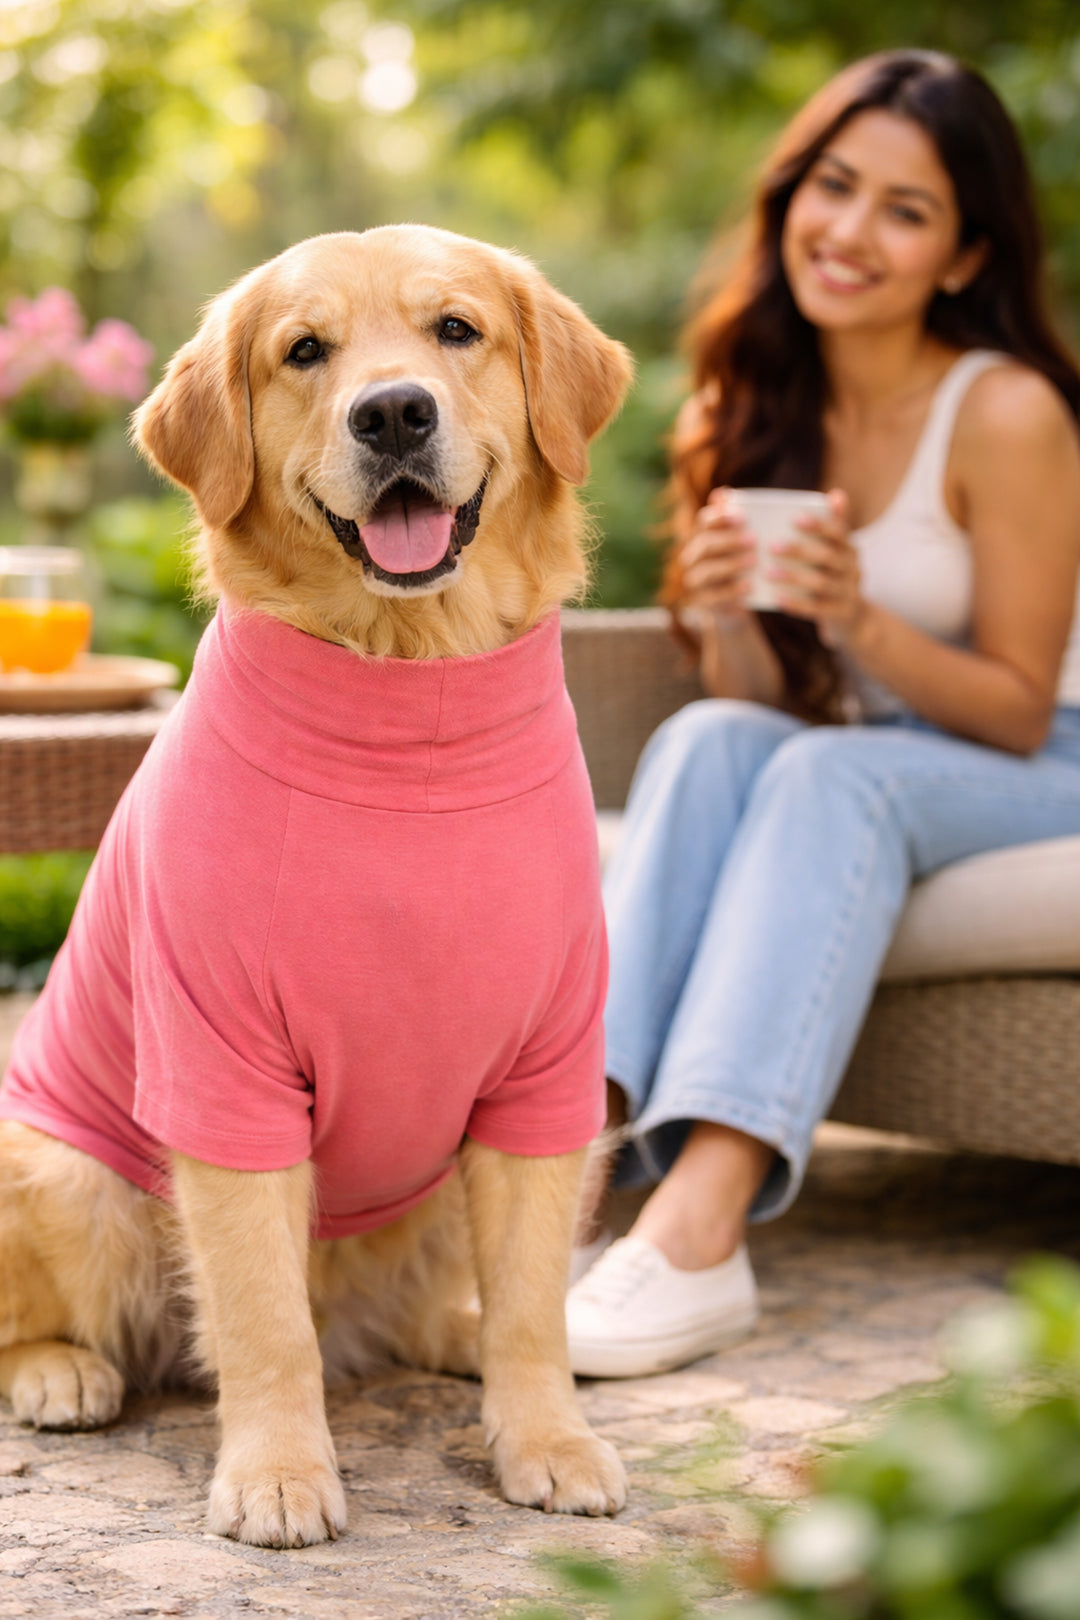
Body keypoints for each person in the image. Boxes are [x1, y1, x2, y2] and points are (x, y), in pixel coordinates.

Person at [565, 48, 1080, 1379]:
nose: (849, 232)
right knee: (707, 735)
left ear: (964, 256)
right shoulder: (757, 396)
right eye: (834, 186)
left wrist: (857, 618)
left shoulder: (1010, 412)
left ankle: (699, 1230)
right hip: (883, 755)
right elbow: (761, 709)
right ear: (792, 193)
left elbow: (1022, 713)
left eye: (904, 210)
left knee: (829, 780)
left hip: (1044, 758)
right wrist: (734, 614)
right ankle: (559, 1185)